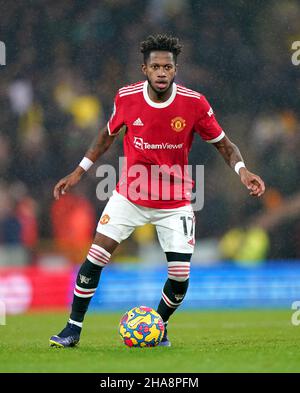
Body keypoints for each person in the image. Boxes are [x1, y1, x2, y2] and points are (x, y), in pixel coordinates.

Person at [49, 34, 265, 348]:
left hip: (174, 201)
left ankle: (158, 326)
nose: (161, 72)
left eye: (167, 66)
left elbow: (224, 145)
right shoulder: (126, 97)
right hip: (129, 196)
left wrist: (242, 171)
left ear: (175, 70)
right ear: (145, 69)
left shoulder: (194, 103)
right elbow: (106, 137)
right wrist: (78, 171)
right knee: (95, 256)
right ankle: (72, 329)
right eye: (155, 66)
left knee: (179, 276)